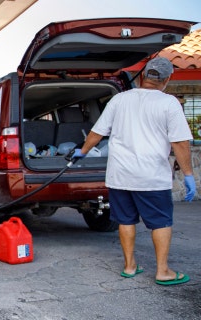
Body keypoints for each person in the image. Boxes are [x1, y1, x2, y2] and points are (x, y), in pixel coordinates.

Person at [72, 56, 197, 286]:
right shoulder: (169, 103)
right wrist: (188, 175)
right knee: (160, 222)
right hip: (152, 177)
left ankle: (130, 266)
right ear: (167, 79)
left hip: (120, 176)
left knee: (126, 220)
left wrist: (82, 151)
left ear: (145, 75)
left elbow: (97, 132)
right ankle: (163, 271)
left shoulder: (119, 99)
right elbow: (180, 143)